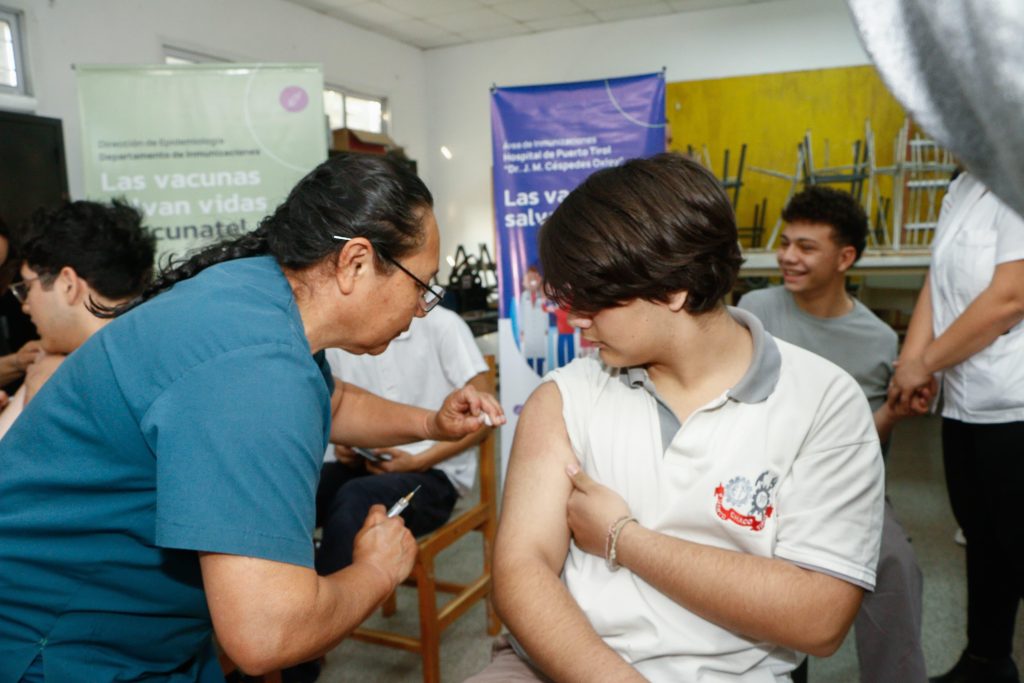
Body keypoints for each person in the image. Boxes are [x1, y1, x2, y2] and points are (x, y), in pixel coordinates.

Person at [0, 154, 504, 682]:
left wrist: (430, 424)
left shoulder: (260, 295)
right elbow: (267, 632)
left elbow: (332, 403)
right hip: (57, 647)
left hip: (143, 637)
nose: (421, 308)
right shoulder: (254, 367)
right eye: (419, 285)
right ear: (355, 262)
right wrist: (376, 571)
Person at [470, 153, 885, 682]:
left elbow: (819, 617)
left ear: (672, 289)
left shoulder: (825, 403)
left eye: (594, 298)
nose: (574, 318)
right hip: (561, 661)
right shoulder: (567, 394)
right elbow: (520, 571)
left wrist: (623, 537)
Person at [738, 186, 930, 683]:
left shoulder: (878, 340)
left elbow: (865, 441)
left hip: (840, 487)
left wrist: (892, 411)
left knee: (897, 567)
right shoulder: (756, 310)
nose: (786, 257)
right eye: (785, 243)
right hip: (758, 474)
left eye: (805, 247)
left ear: (845, 257)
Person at [891, 171, 1024, 683]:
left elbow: (1010, 297)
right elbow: (937, 279)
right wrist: (913, 361)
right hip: (967, 400)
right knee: (984, 539)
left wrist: (928, 363)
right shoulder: (964, 185)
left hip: (1015, 403)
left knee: (1017, 543)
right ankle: (987, 662)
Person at [316, 304, 493, 575]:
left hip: (435, 473)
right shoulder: (342, 334)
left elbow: (485, 420)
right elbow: (339, 410)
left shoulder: (444, 326)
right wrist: (345, 447)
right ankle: (290, 592)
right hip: (367, 464)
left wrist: (419, 460)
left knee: (356, 500)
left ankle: (325, 606)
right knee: (304, 488)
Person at [0, 199, 156, 439]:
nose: (26, 306)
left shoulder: (65, 381)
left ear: (68, 284)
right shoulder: (52, 364)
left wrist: (43, 409)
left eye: (26, 287)